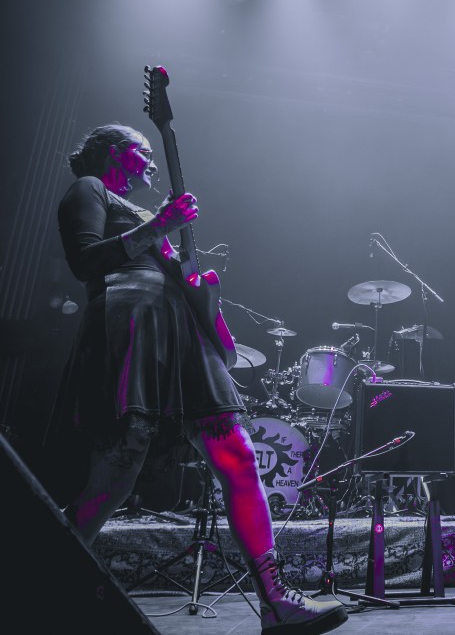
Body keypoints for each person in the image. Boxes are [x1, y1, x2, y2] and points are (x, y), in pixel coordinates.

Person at [49, 123, 347, 635]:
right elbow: (84, 260)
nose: (151, 162)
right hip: (133, 325)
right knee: (117, 473)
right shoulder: (90, 189)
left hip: (181, 335)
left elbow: (183, 286)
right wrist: (160, 225)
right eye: (142, 152)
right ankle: (37, 581)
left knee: (239, 455)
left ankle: (276, 603)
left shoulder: (146, 217)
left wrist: (203, 291)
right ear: (113, 154)